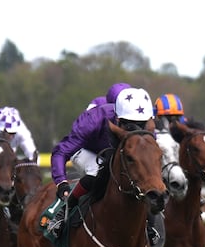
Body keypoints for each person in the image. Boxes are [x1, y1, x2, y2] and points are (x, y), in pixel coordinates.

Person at [47, 86, 155, 237]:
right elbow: (61, 151)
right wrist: (61, 182)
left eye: (140, 124)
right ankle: (64, 212)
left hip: (113, 153)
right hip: (86, 151)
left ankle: (149, 222)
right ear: (117, 118)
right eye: (128, 123)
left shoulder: (147, 124)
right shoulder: (95, 118)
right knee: (97, 171)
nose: (135, 129)